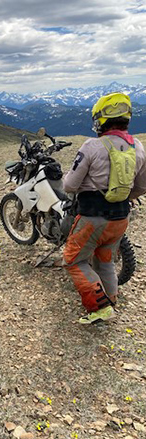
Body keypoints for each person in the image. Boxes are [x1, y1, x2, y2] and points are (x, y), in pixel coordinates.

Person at [62, 92, 146, 325]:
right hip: (120, 218)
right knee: (105, 260)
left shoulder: (92, 146)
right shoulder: (138, 146)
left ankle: (99, 308)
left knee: (73, 260)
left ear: (101, 120)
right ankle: (111, 299)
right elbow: (141, 187)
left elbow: (70, 185)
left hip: (92, 218)